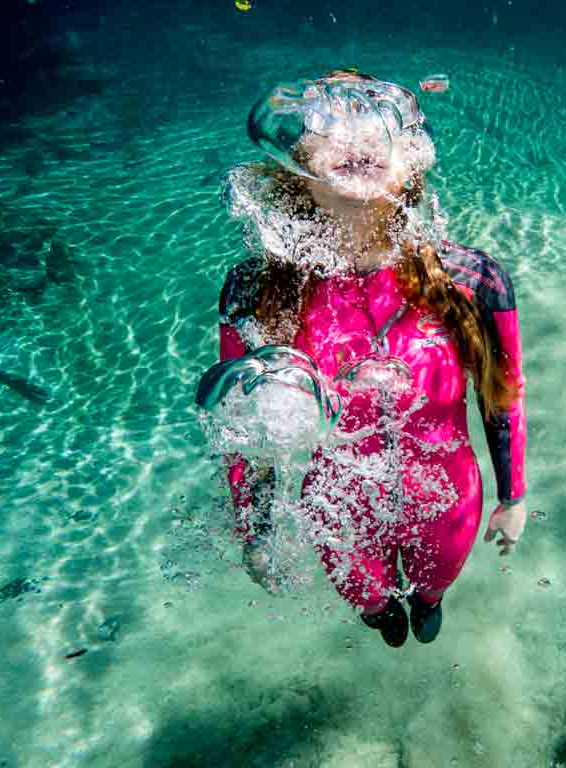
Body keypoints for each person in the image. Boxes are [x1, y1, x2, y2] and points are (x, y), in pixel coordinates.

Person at [215, 69, 528, 647]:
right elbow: (244, 429)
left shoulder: (474, 279)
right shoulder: (253, 290)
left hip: (448, 507)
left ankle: (428, 604)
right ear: (293, 158)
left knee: (432, 595)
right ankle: (384, 615)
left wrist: (513, 497)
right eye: (327, 121)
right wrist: (255, 532)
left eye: (374, 119)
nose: (355, 136)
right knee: (376, 608)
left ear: (411, 156)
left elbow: (501, 392)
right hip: (339, 520)